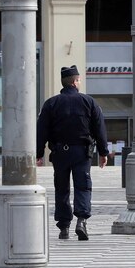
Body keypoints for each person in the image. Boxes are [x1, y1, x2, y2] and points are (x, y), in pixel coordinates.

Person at [37, 65, 108, 241]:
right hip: (82, 152)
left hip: (60, 152)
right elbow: (99, 128)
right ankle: (81, 221)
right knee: (83, 186)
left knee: (61, 189)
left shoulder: (51, 103)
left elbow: (41, 130)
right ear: (75, 82)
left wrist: (38, 153)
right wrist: (103, 152)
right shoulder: (89, 102)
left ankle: (64, 227)